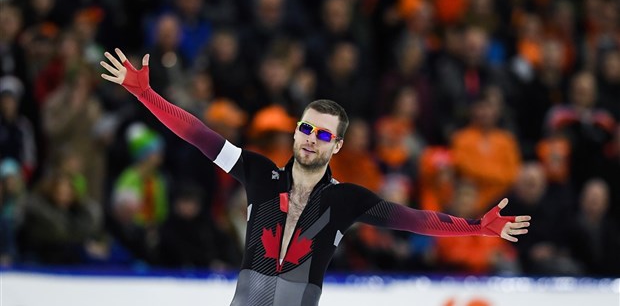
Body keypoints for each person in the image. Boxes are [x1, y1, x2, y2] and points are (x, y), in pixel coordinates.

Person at [100, 48, 531, 306]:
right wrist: (146, 94)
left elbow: (416, 220)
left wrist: (478, 227)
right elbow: (197, 133)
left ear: (337, 146)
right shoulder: (258, 173)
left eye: (323, 134)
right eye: (306, 128)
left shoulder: (346, 201)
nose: (310, 139)